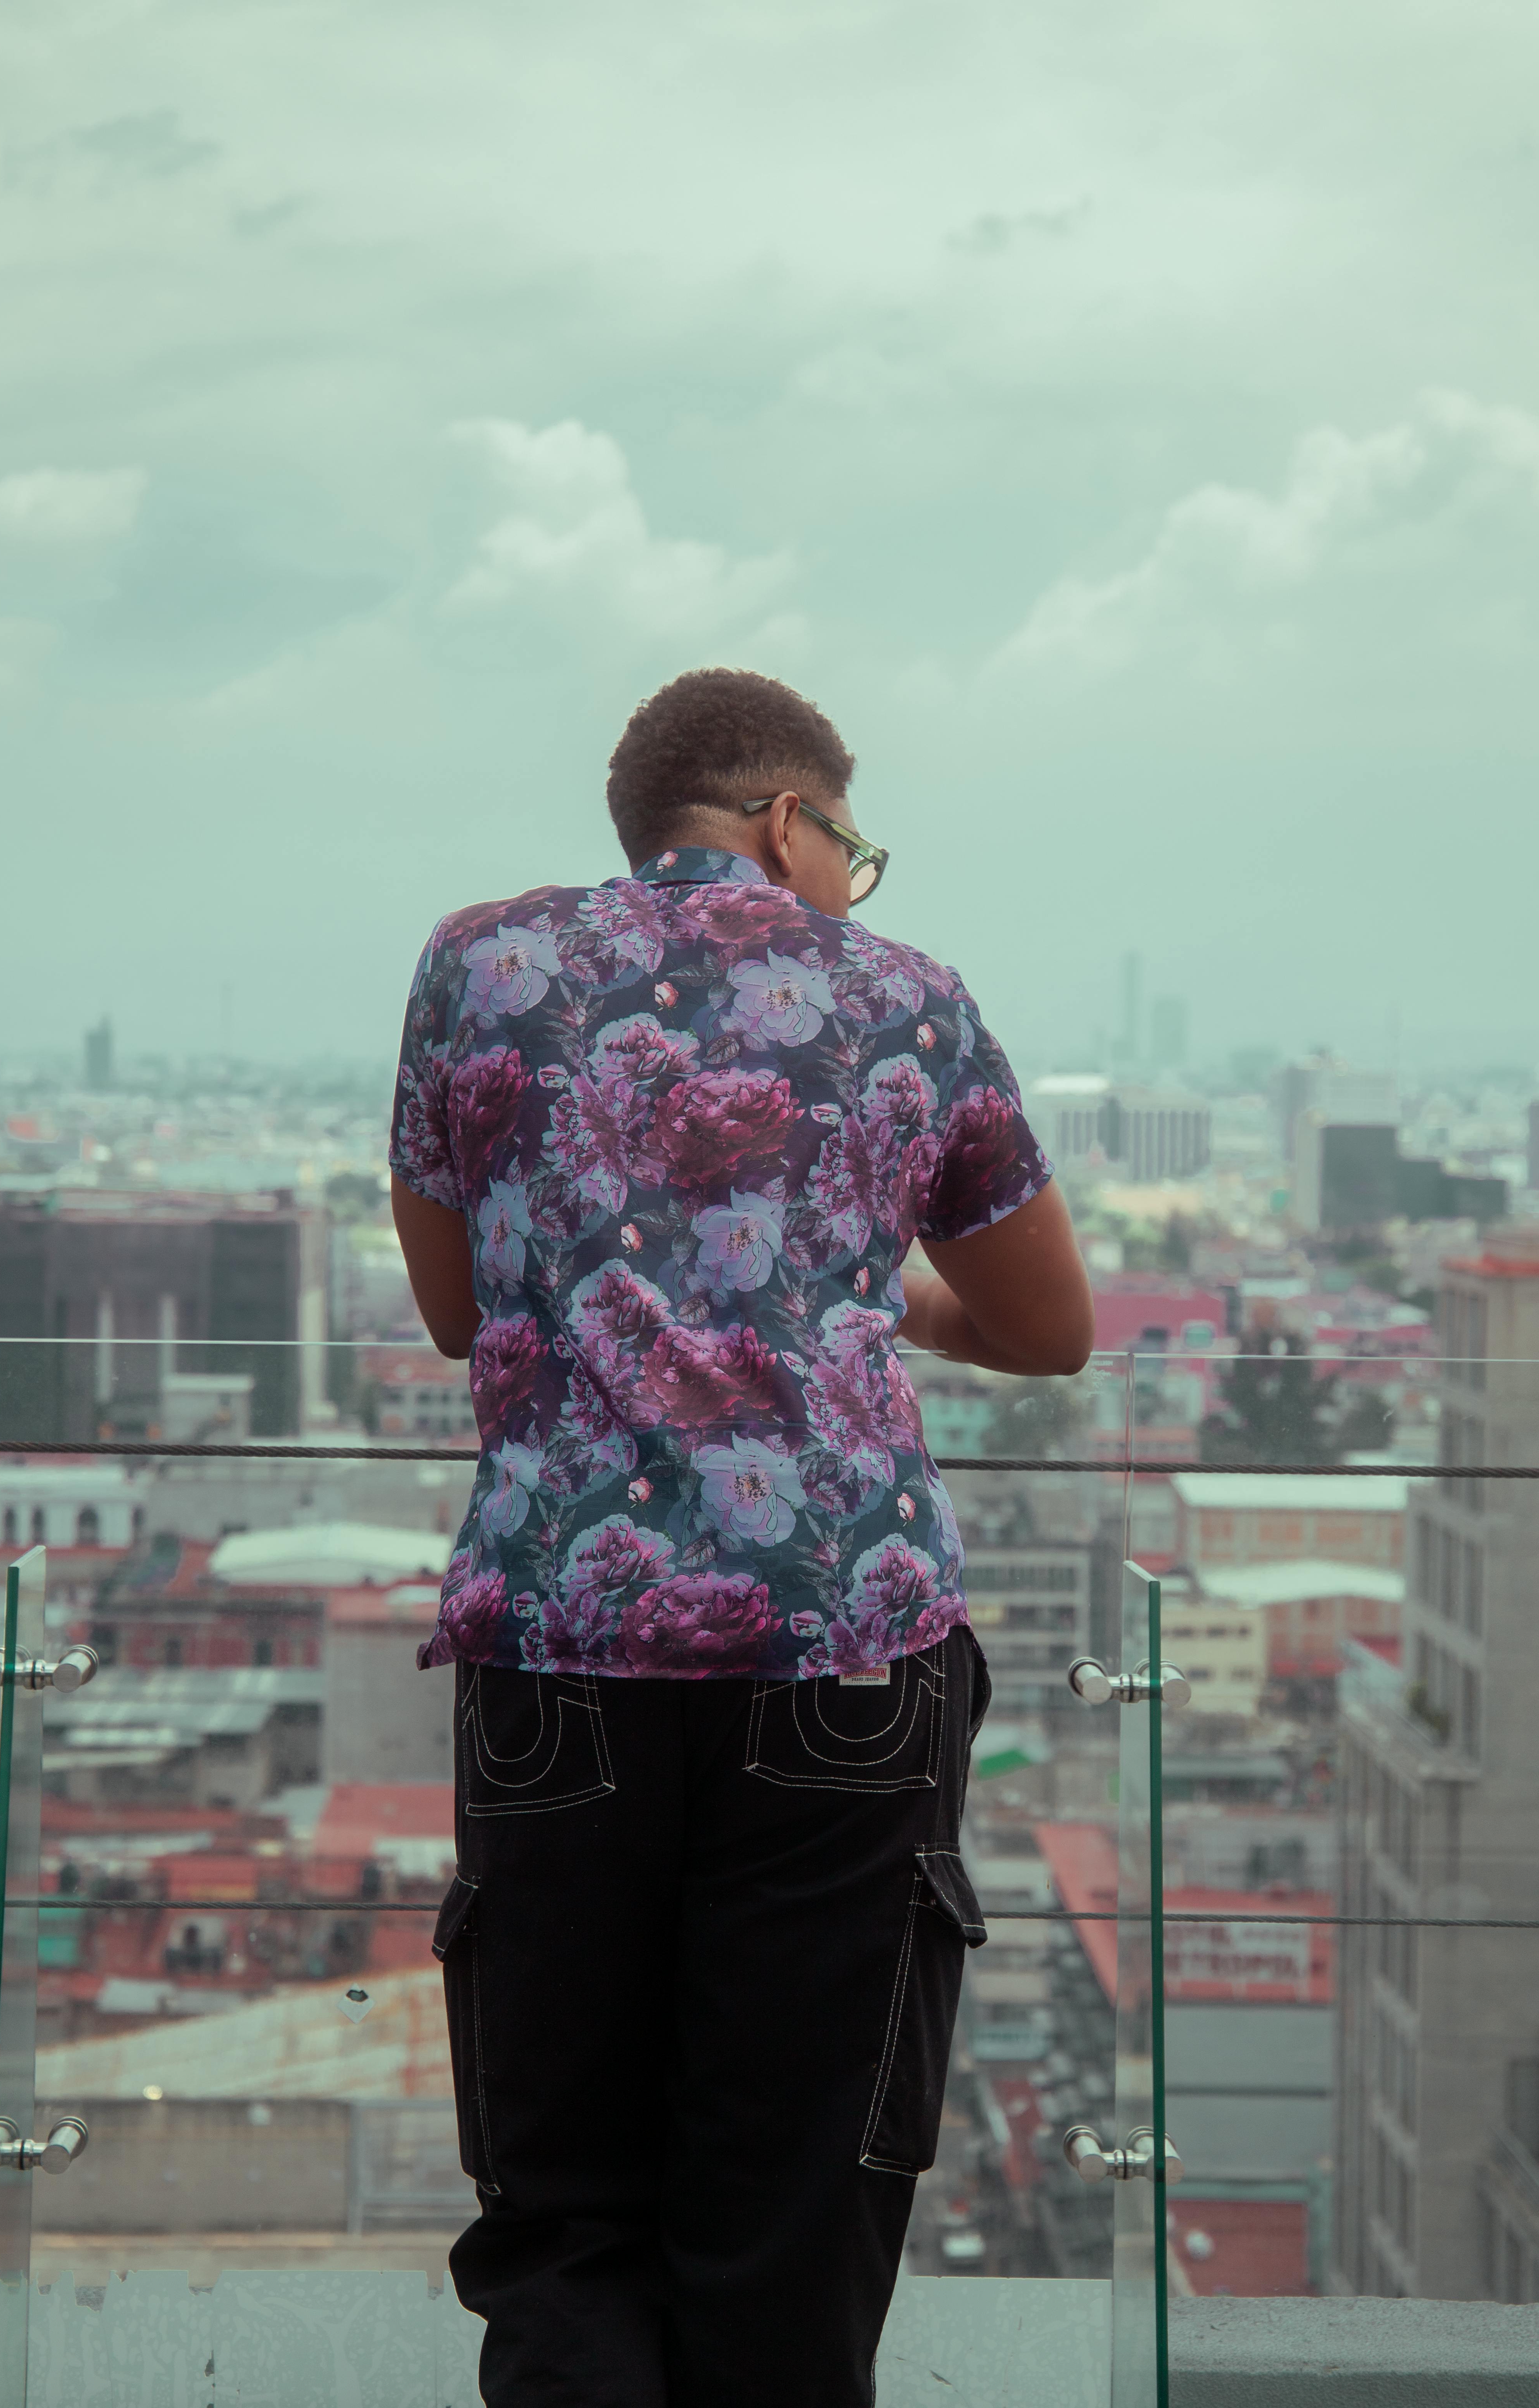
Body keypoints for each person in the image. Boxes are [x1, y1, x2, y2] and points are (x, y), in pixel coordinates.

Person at [389, 667, 1094, 2408]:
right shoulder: (906, 1000)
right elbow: (1048, 1328)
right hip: (835, 1642)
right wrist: (876, 1306)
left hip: (559, 1646)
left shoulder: (477, 966)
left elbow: (456, 1309)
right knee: (791, 2211)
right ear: (788, 820)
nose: (854, 877)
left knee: (561, 2218)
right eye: (848, 843)